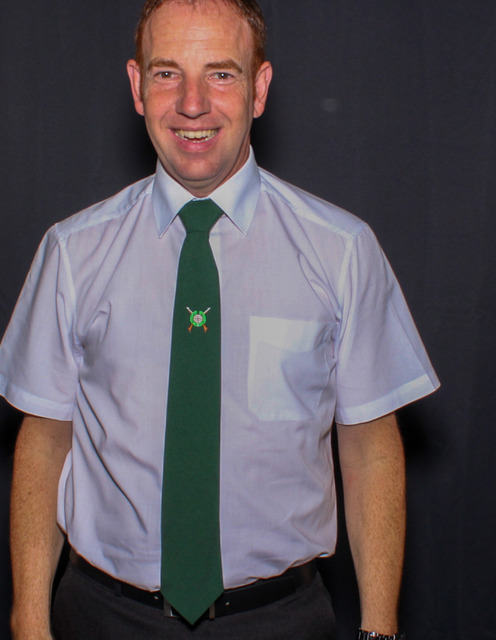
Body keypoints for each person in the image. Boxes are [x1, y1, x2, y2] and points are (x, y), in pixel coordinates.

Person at [0, 1, 439, 639]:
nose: (193, 103)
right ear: (137, 86)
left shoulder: (341, 252)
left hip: (280, 622)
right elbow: (43, 441)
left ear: (259, 88)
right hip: (102, 617)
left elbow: (371, 450)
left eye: (221, 74)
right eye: (167, 73)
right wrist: (28, 621)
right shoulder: (72, 253)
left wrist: (379, 630)